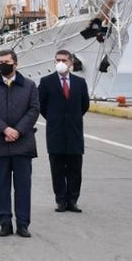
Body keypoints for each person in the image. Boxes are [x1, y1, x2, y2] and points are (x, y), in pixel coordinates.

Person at [0, 48, 40, 238]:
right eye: (0, 62)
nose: (3, 65)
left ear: (16, 64)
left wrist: (18, 131)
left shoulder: (29, 86)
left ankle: (23, 224)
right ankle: (5, 223)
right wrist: (5, 129)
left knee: (23, 187)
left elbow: (34, 110)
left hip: (23, 144)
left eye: (6, 62)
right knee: (0, 187)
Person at [37, 50, 90, 213]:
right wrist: (54, 119)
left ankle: (72, 200)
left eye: (64, 60)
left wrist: (71, 118)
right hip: (55, 131)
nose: (61, 63)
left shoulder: (80, 82)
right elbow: (42, 105)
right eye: (58, 60)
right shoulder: (46, 82)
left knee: (75, 169)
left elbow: (84, 105)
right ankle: (60, 200)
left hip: (74, 131)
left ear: (71, 63)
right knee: (58, 168)